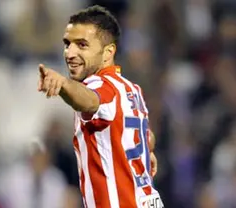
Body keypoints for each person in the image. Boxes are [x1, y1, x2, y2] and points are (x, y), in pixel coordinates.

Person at [38, 5, 163, 208]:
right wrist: (143, 156)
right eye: (67, 44)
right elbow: (147, 138)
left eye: (82, 45)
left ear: (108, 53)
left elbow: (90, 100)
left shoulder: (100, 86)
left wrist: (62, 84)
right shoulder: (132, 90)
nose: (70, 53)